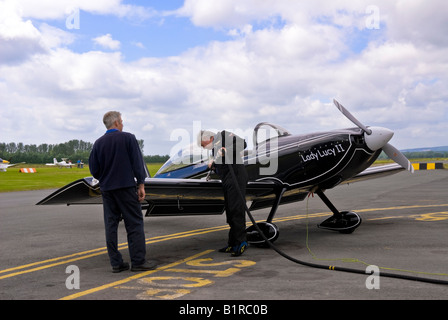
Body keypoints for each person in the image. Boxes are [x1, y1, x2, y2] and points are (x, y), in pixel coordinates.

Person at [89, 111, 156, 273]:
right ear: (117, 123)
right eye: (122, 121)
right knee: (134, 223)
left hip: (107, 190)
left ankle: (116, 263)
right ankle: (138, 261)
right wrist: (141, 184)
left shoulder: (98, 143)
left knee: (110, 226)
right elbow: (137, 163)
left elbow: (94, 169)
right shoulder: (128, 138)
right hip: (125, 188)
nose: (123, 124)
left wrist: (105, 178)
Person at [198, 129, 249, 256]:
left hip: (236, 177)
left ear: (208, 138)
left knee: (236, 209)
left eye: (203, 145)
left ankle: (241, 242)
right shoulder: (215, 148)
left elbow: (243, 144)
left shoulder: (224, 136)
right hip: (227, 179)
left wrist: (227, 151)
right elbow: (223, 166)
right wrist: (213, 165)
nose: (204, 148)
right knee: (230, 211)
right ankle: (232, 243)